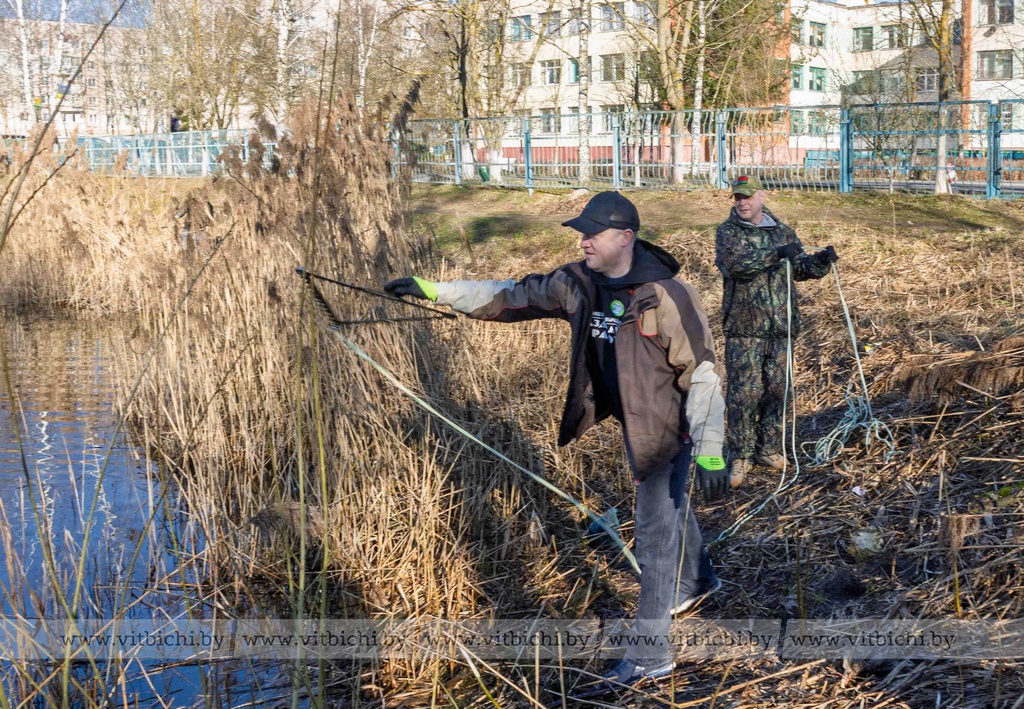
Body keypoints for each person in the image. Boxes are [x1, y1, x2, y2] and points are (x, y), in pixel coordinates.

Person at [385, 191, 727, 690]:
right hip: (633, 419)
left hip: (667, 429)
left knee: (654, 539)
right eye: (581, 233)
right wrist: (435, 290)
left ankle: (651, 656)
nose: (583, 241)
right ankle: (698, 579)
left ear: (626, 237)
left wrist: (711, 448)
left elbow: (703, 374)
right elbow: (511, 295)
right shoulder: (579, 283)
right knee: (668, 508)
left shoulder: (668, 296)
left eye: (593, 233)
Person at [714, 175, 838, 487]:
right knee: (744, 393)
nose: (742, 202)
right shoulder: (728, 232)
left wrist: (821, 262)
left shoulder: (783, 231)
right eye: (737, 197)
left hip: (781, 328)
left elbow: (800, 269)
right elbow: (737, 265)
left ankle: (768, 449)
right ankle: (741, 455)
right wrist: (776, 253)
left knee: (777, 391)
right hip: (745, 328)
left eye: (747, 196)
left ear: (762, 196)